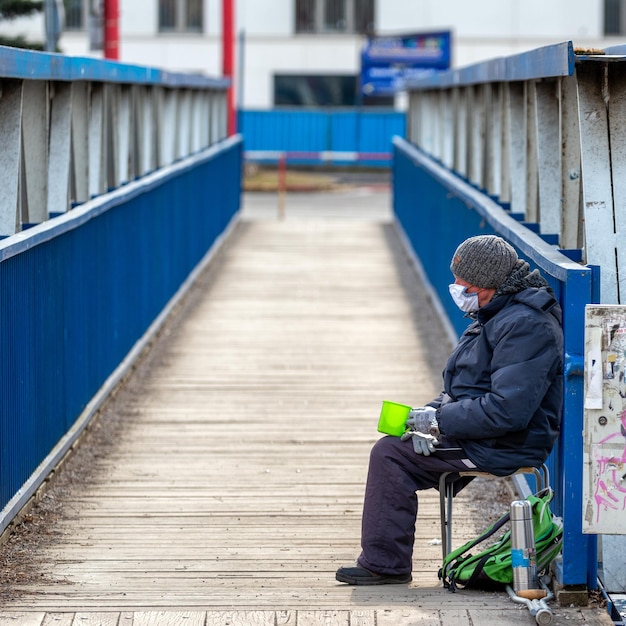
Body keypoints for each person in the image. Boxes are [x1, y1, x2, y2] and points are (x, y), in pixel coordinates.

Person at [335, 234, 564, 585]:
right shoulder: (495, 312)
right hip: (483, 433)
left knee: (390, 455)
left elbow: (508, 411)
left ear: (491, 283)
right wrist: (425, 415)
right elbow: (463, 387)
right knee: (399, 445)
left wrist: (440, 422)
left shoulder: (525, 325)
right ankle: (386, 560)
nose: (457, 289)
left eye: (466, 284)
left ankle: (385, 565)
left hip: (505, 442)